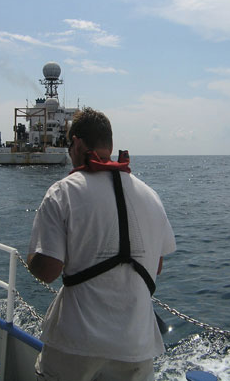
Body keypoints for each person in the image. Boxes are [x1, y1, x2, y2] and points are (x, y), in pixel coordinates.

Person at [28, 107, 176, 381]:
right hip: (136, 344)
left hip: (77, 345)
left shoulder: (63, 191)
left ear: (76, 143)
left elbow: (48, 271)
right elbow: (156, 266)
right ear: (109, 143)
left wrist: (31, 257)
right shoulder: (151, 196)